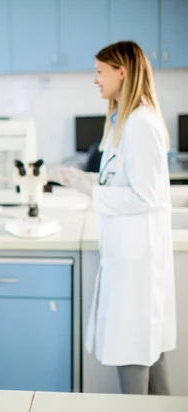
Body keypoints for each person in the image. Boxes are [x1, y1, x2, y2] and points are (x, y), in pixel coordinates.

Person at [53, 41, 176, 395]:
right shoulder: (125, 123)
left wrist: (91, 190)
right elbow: (119, 181)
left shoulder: (141, 124)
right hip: (128, 258)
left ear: (121, 72)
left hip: (137, 263)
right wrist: (82, 179)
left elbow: (145, 196)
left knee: (135, 350)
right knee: (145, 351)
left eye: (99, 72)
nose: (95, 80)